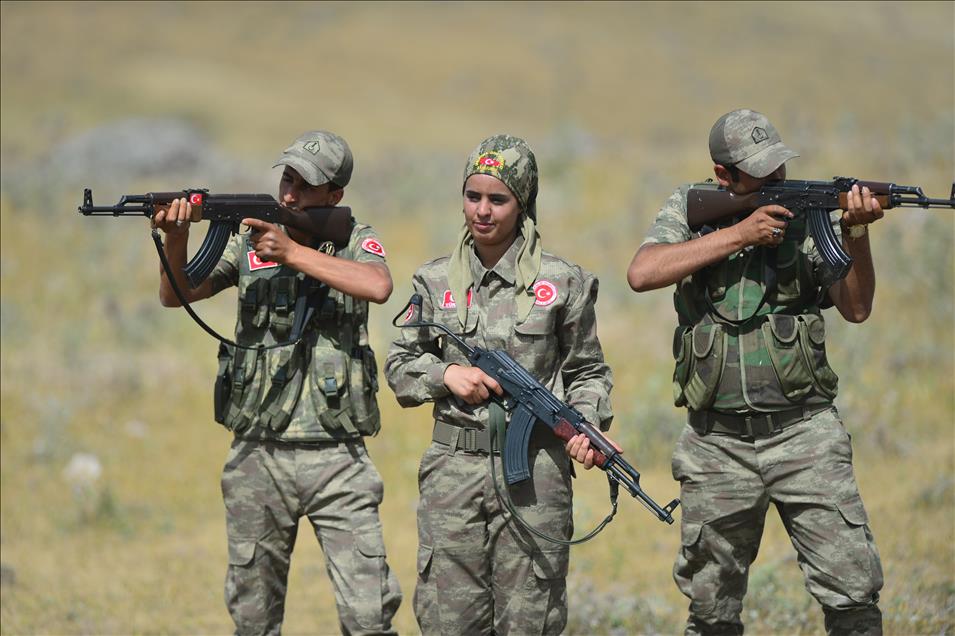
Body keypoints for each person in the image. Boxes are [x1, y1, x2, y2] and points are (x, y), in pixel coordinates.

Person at [627, 109, 884, 636]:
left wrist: (855, 235)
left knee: (854, 596)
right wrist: (741, 233)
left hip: (804, 434)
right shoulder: (692, 206)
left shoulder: (807, 216)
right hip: (716, 444)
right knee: (711, 611)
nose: (775, 182)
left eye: (778, 170)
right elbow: (643, 272)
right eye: (759, 174)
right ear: (723, 176)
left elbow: (856, 309)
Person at [152, 130, 402, 635]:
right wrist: (176, 236)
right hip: (257, 454)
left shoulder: (354, 239)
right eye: (286, 179)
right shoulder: (251, 242)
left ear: (333, 197)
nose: (288, 194)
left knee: (368, 614)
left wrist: (291, 252)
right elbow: (176, 294)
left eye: (304, 186)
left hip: (338, 457)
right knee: (253, 615)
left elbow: (377, 285)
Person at [384, 134, 614, 635]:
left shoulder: (564, 281)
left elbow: (588, 372)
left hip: (537, 474)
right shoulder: (433, 281)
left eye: (498, 199)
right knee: (449, 620)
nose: (482, 211)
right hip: (452, 473)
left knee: (531, 617)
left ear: (523, 203)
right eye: (473, 196)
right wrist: (446, 375)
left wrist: (587, 424)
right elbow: (400, 363)